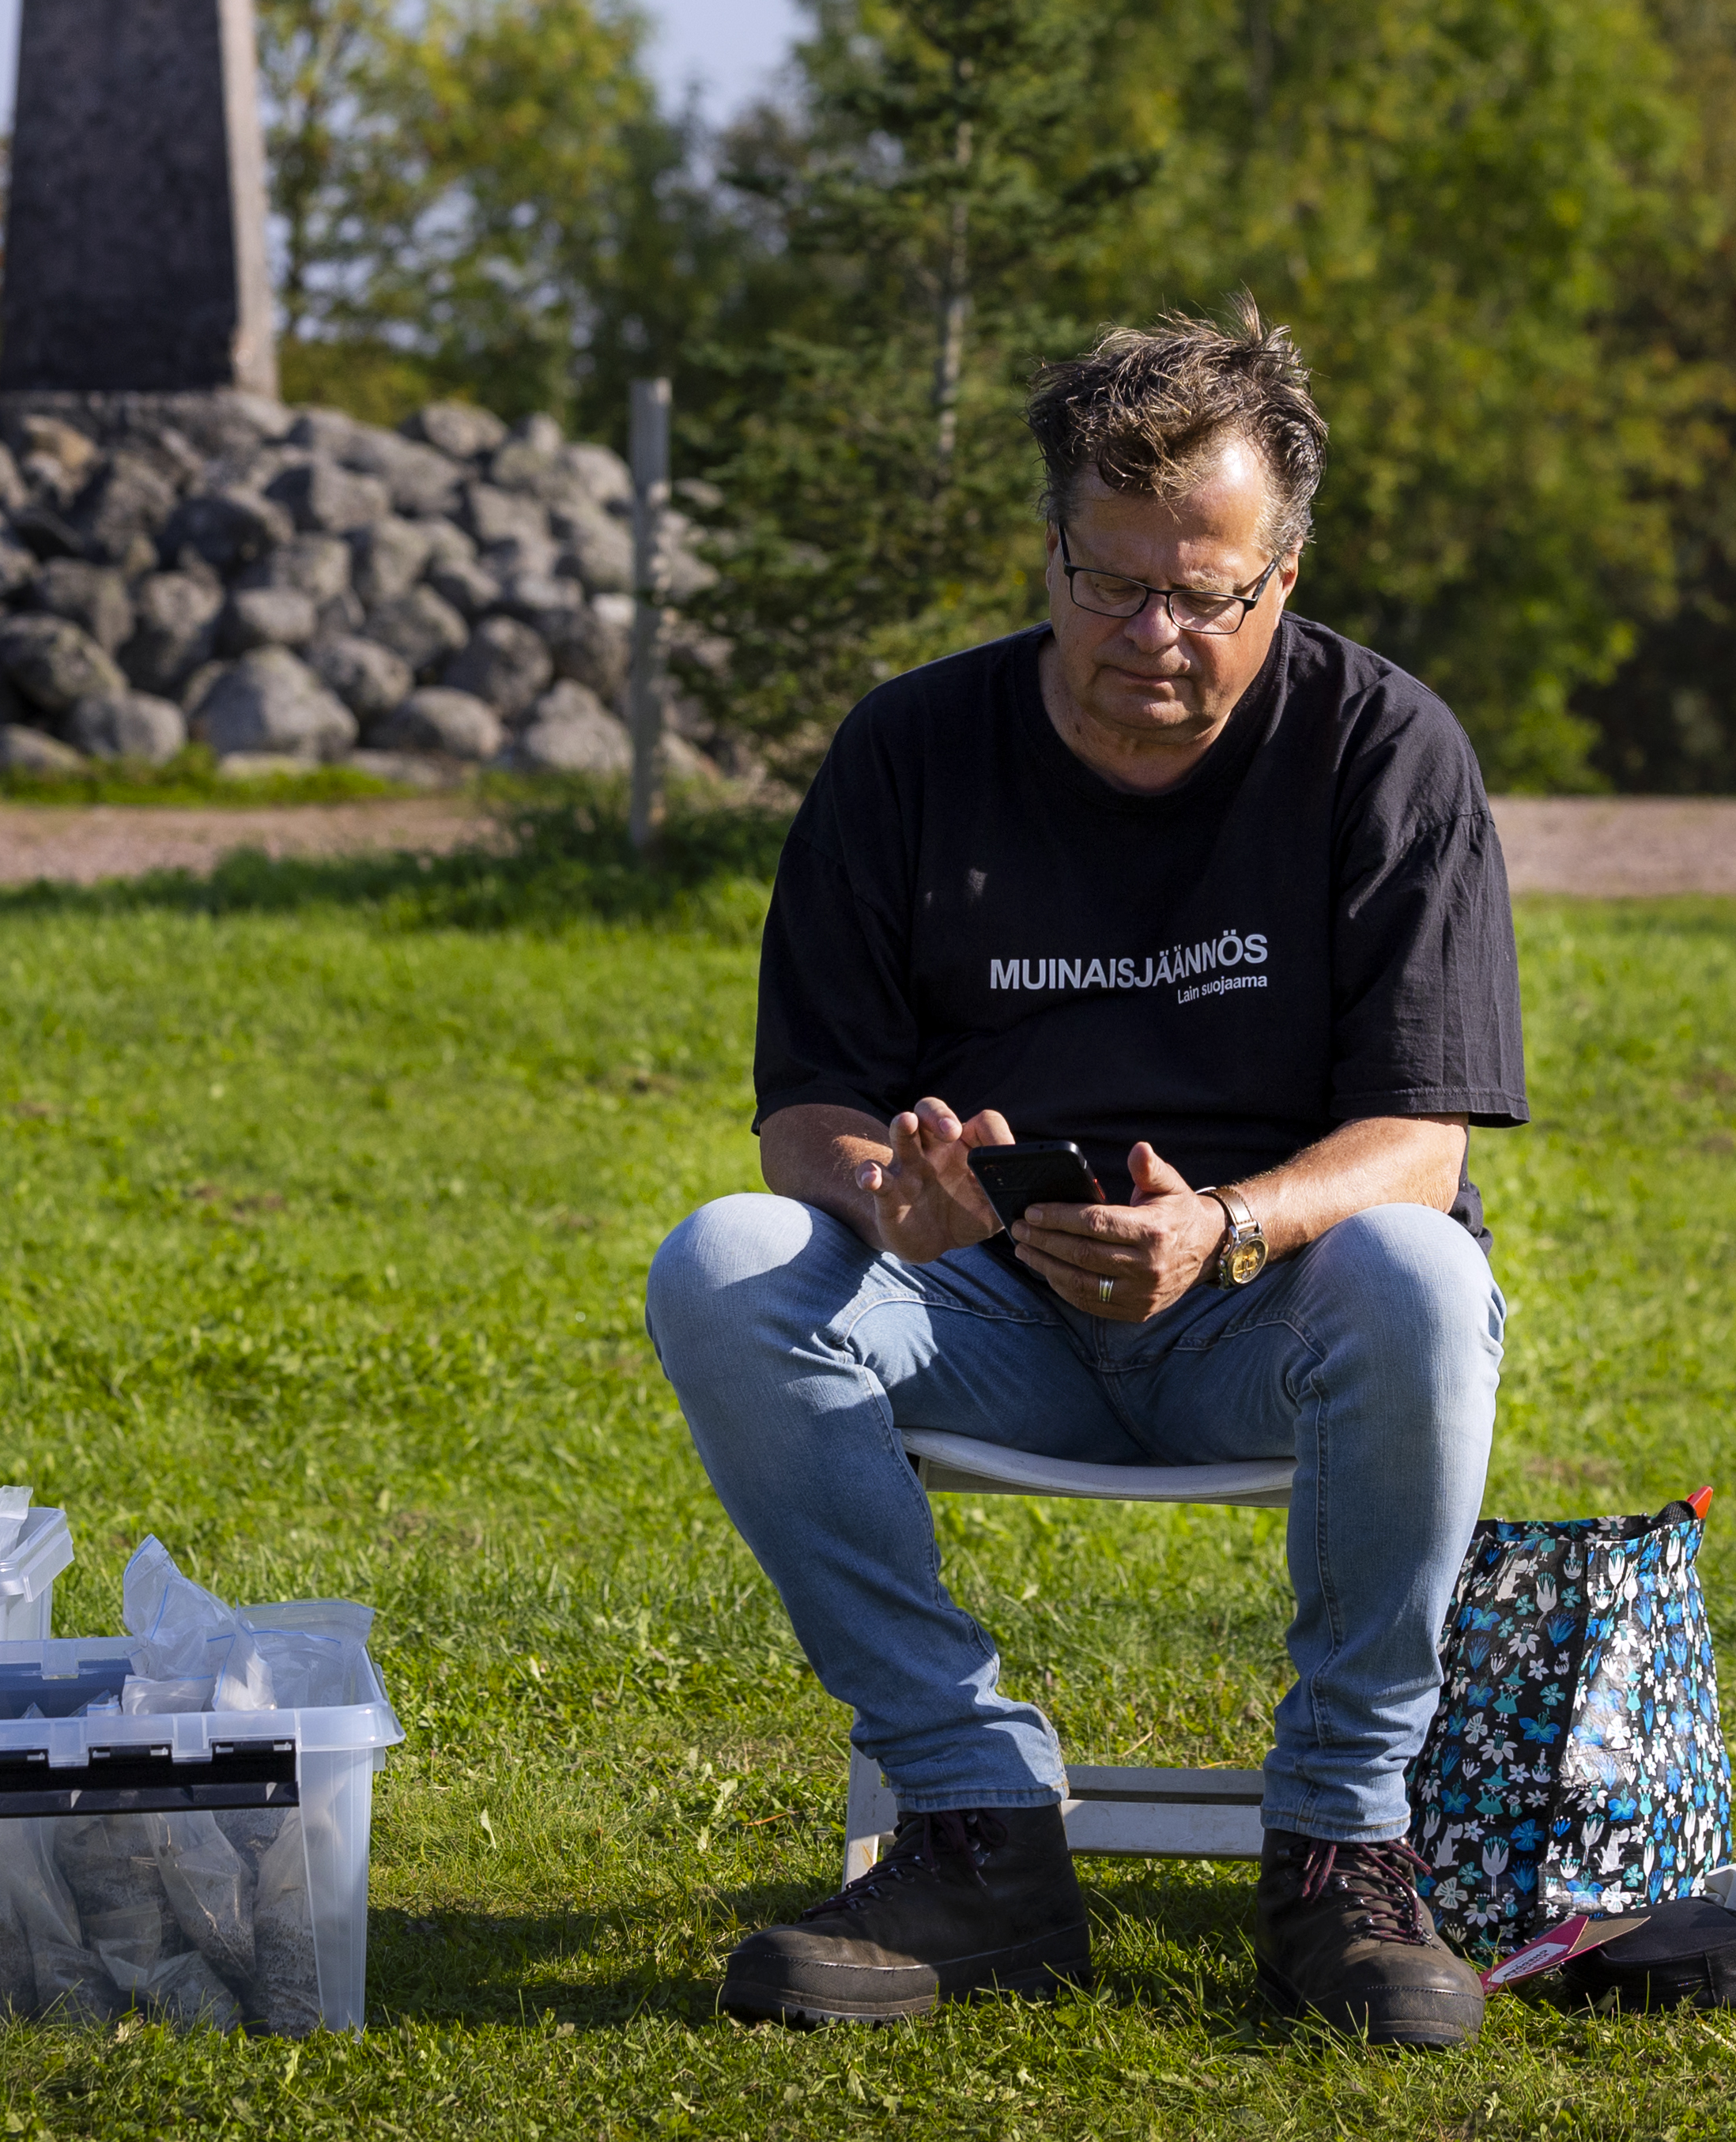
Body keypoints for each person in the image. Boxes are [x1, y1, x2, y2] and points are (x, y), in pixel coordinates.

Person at [643, 305, 1525, 2047]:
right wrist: (885, 1196)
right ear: (1048, 548)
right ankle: (975, 1826)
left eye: (1206, 593)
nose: (1150, 634)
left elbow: (1418, 1144)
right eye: (1106, 581)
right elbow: (803, 1112)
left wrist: (1219, 1228)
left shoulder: (1384, 750)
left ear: (1283, 569)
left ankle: (1339, 1853)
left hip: (1266, 1316)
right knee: (725, 1256)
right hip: (981, 1305)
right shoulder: (908, 749)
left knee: (1418, 1268)